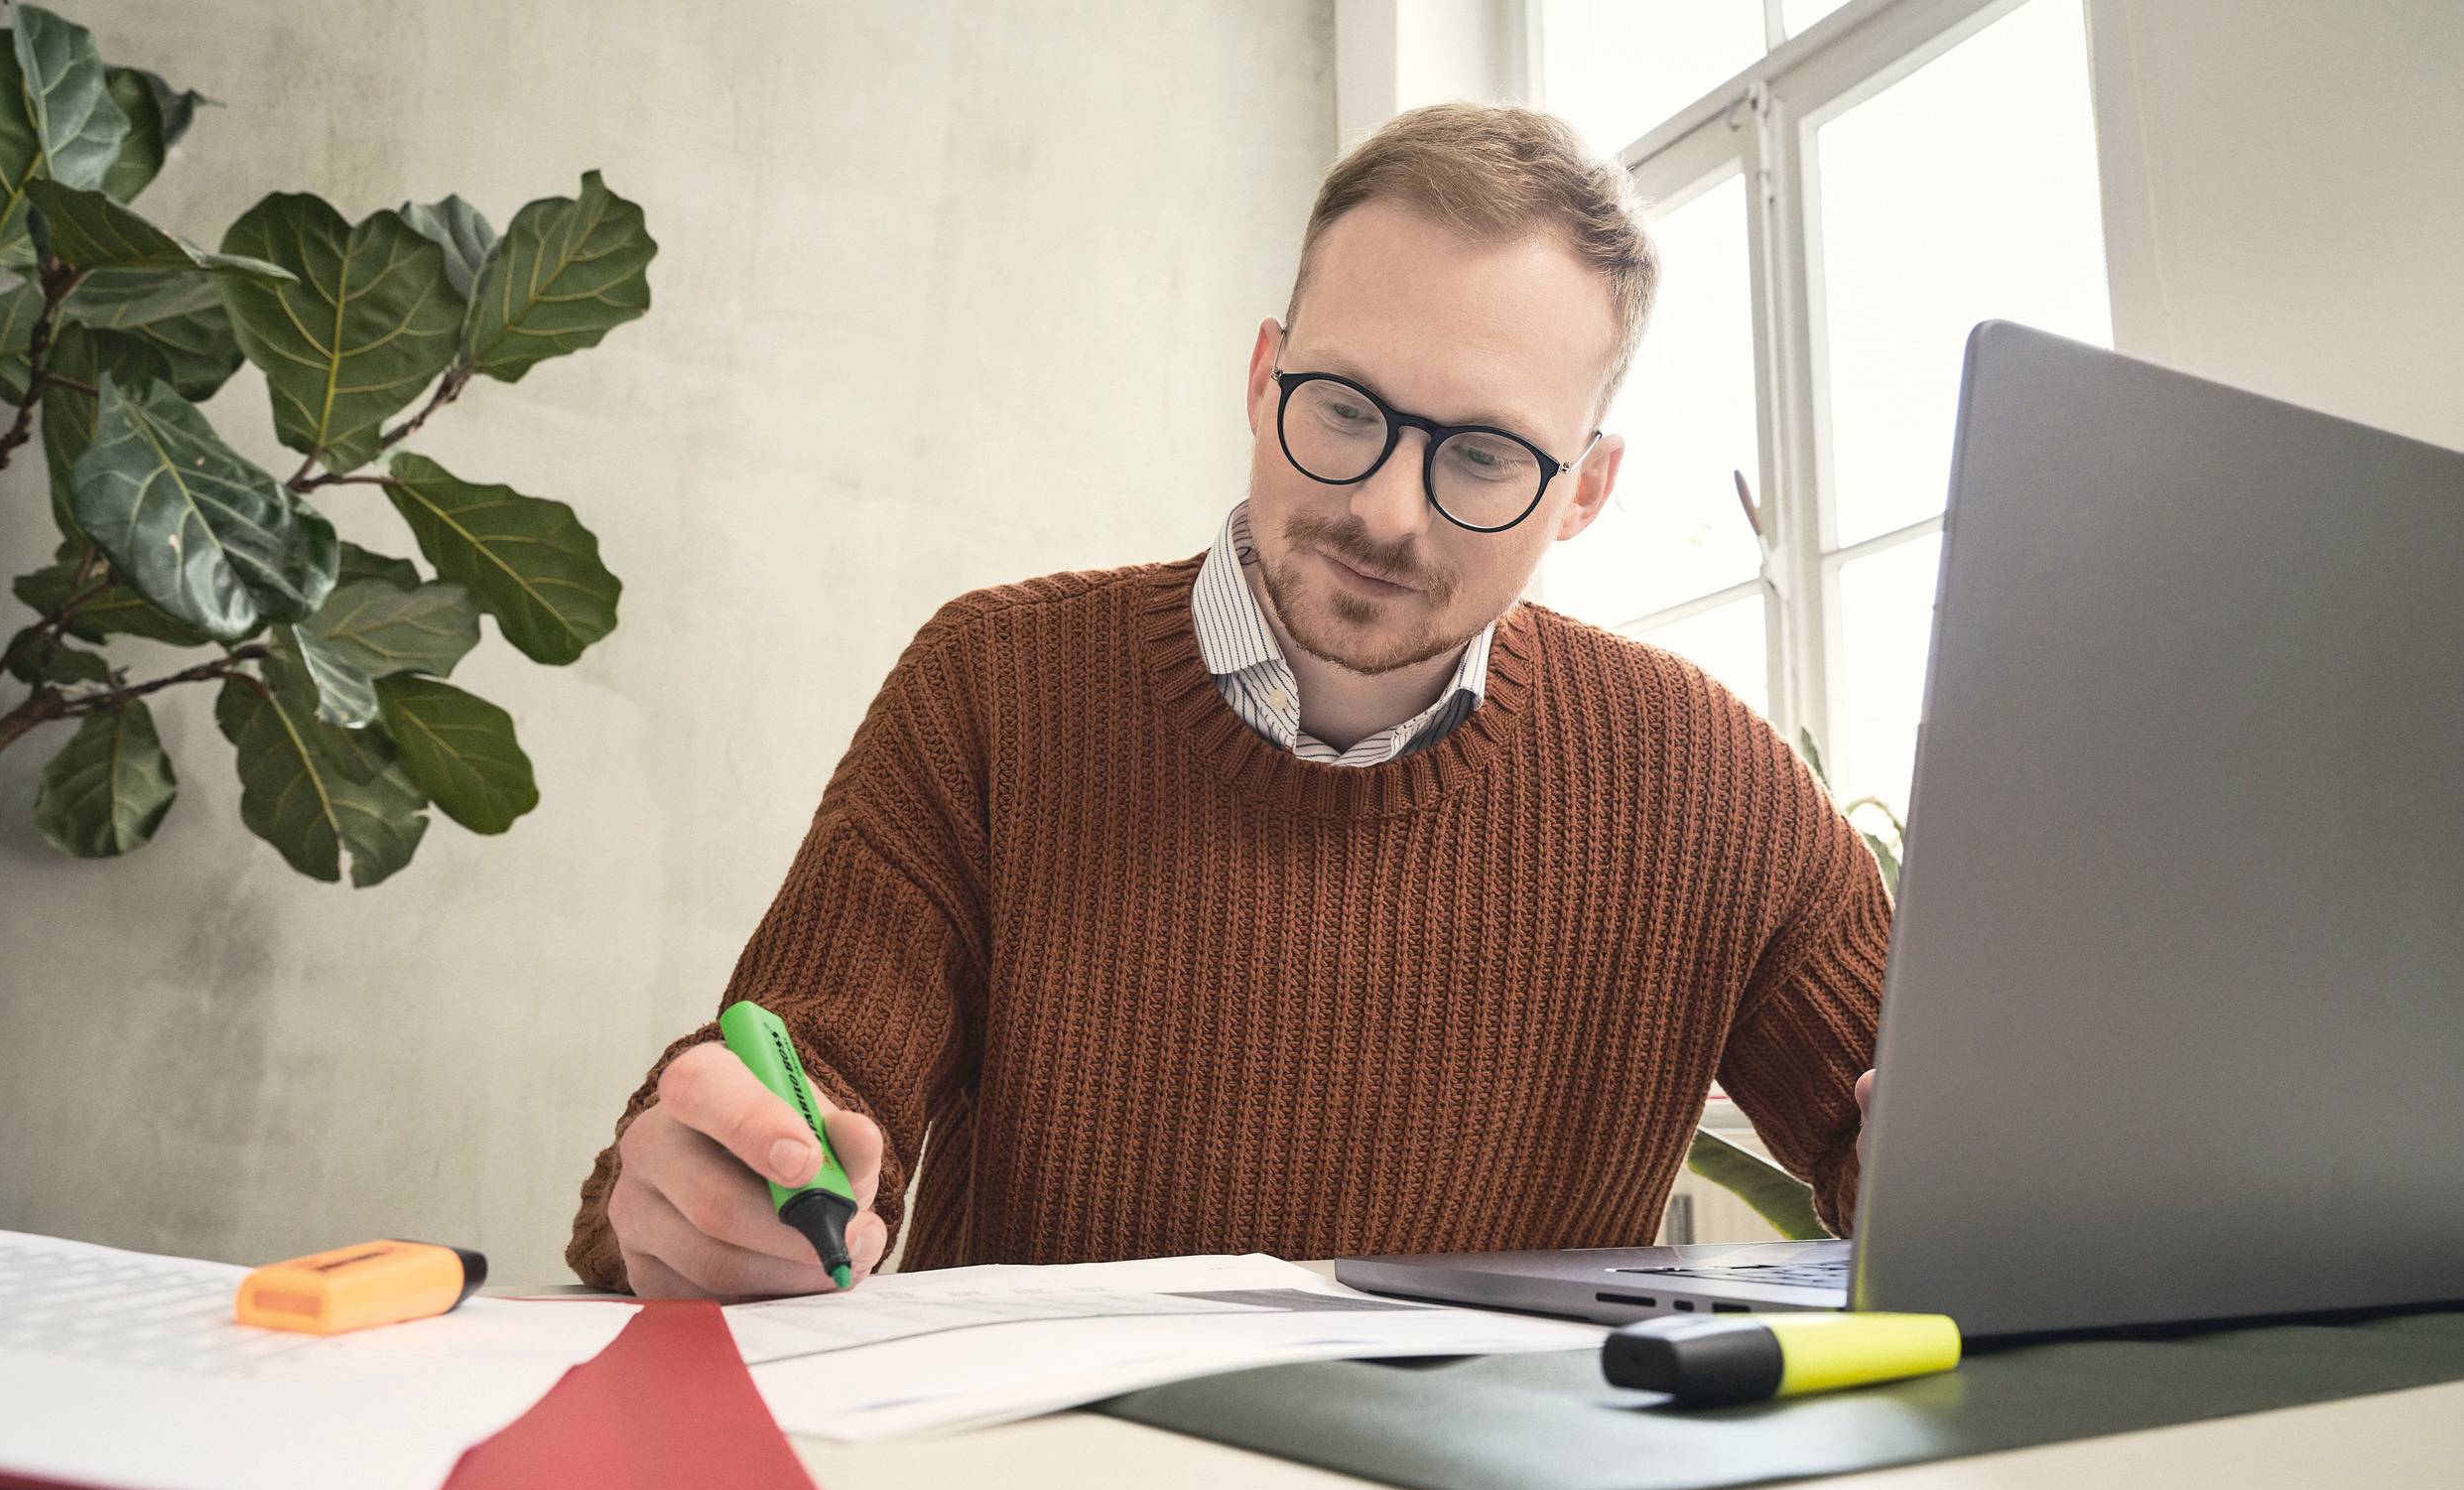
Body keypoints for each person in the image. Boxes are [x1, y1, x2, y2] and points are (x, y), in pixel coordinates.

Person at [567, 102, 1890, 1300]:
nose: (1381, 508)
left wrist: (1972, 1156)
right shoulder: (992, 690)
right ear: (1263, 379)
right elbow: (810, 1078)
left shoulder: (1706, 780)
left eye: (1482, 454)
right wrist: (713, 1191)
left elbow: (1912, 1131)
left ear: (1585, 490)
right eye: (1343, 408)